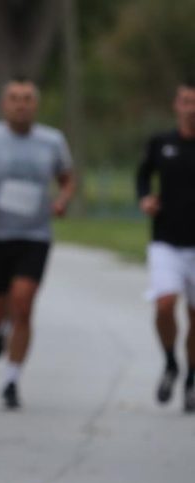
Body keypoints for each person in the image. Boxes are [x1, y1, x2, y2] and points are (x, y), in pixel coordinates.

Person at [0, 77, 76, 409]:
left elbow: (67, 179)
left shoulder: (52, 141)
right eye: (14, 98)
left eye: (27, 99)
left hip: (34, 236)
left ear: (36, 104)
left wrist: (62, 200)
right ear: (4, 103)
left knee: (23, 303)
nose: (21, 104)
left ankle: (12, 378)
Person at [136, 81, 195, 412]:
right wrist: (145, 198)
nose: (191, 109)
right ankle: (171, 361)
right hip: (166, 242)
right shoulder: (161, 143)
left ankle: (191, 380)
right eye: (186, 101)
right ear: (177, 105)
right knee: (164, 305)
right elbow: (142, 176)